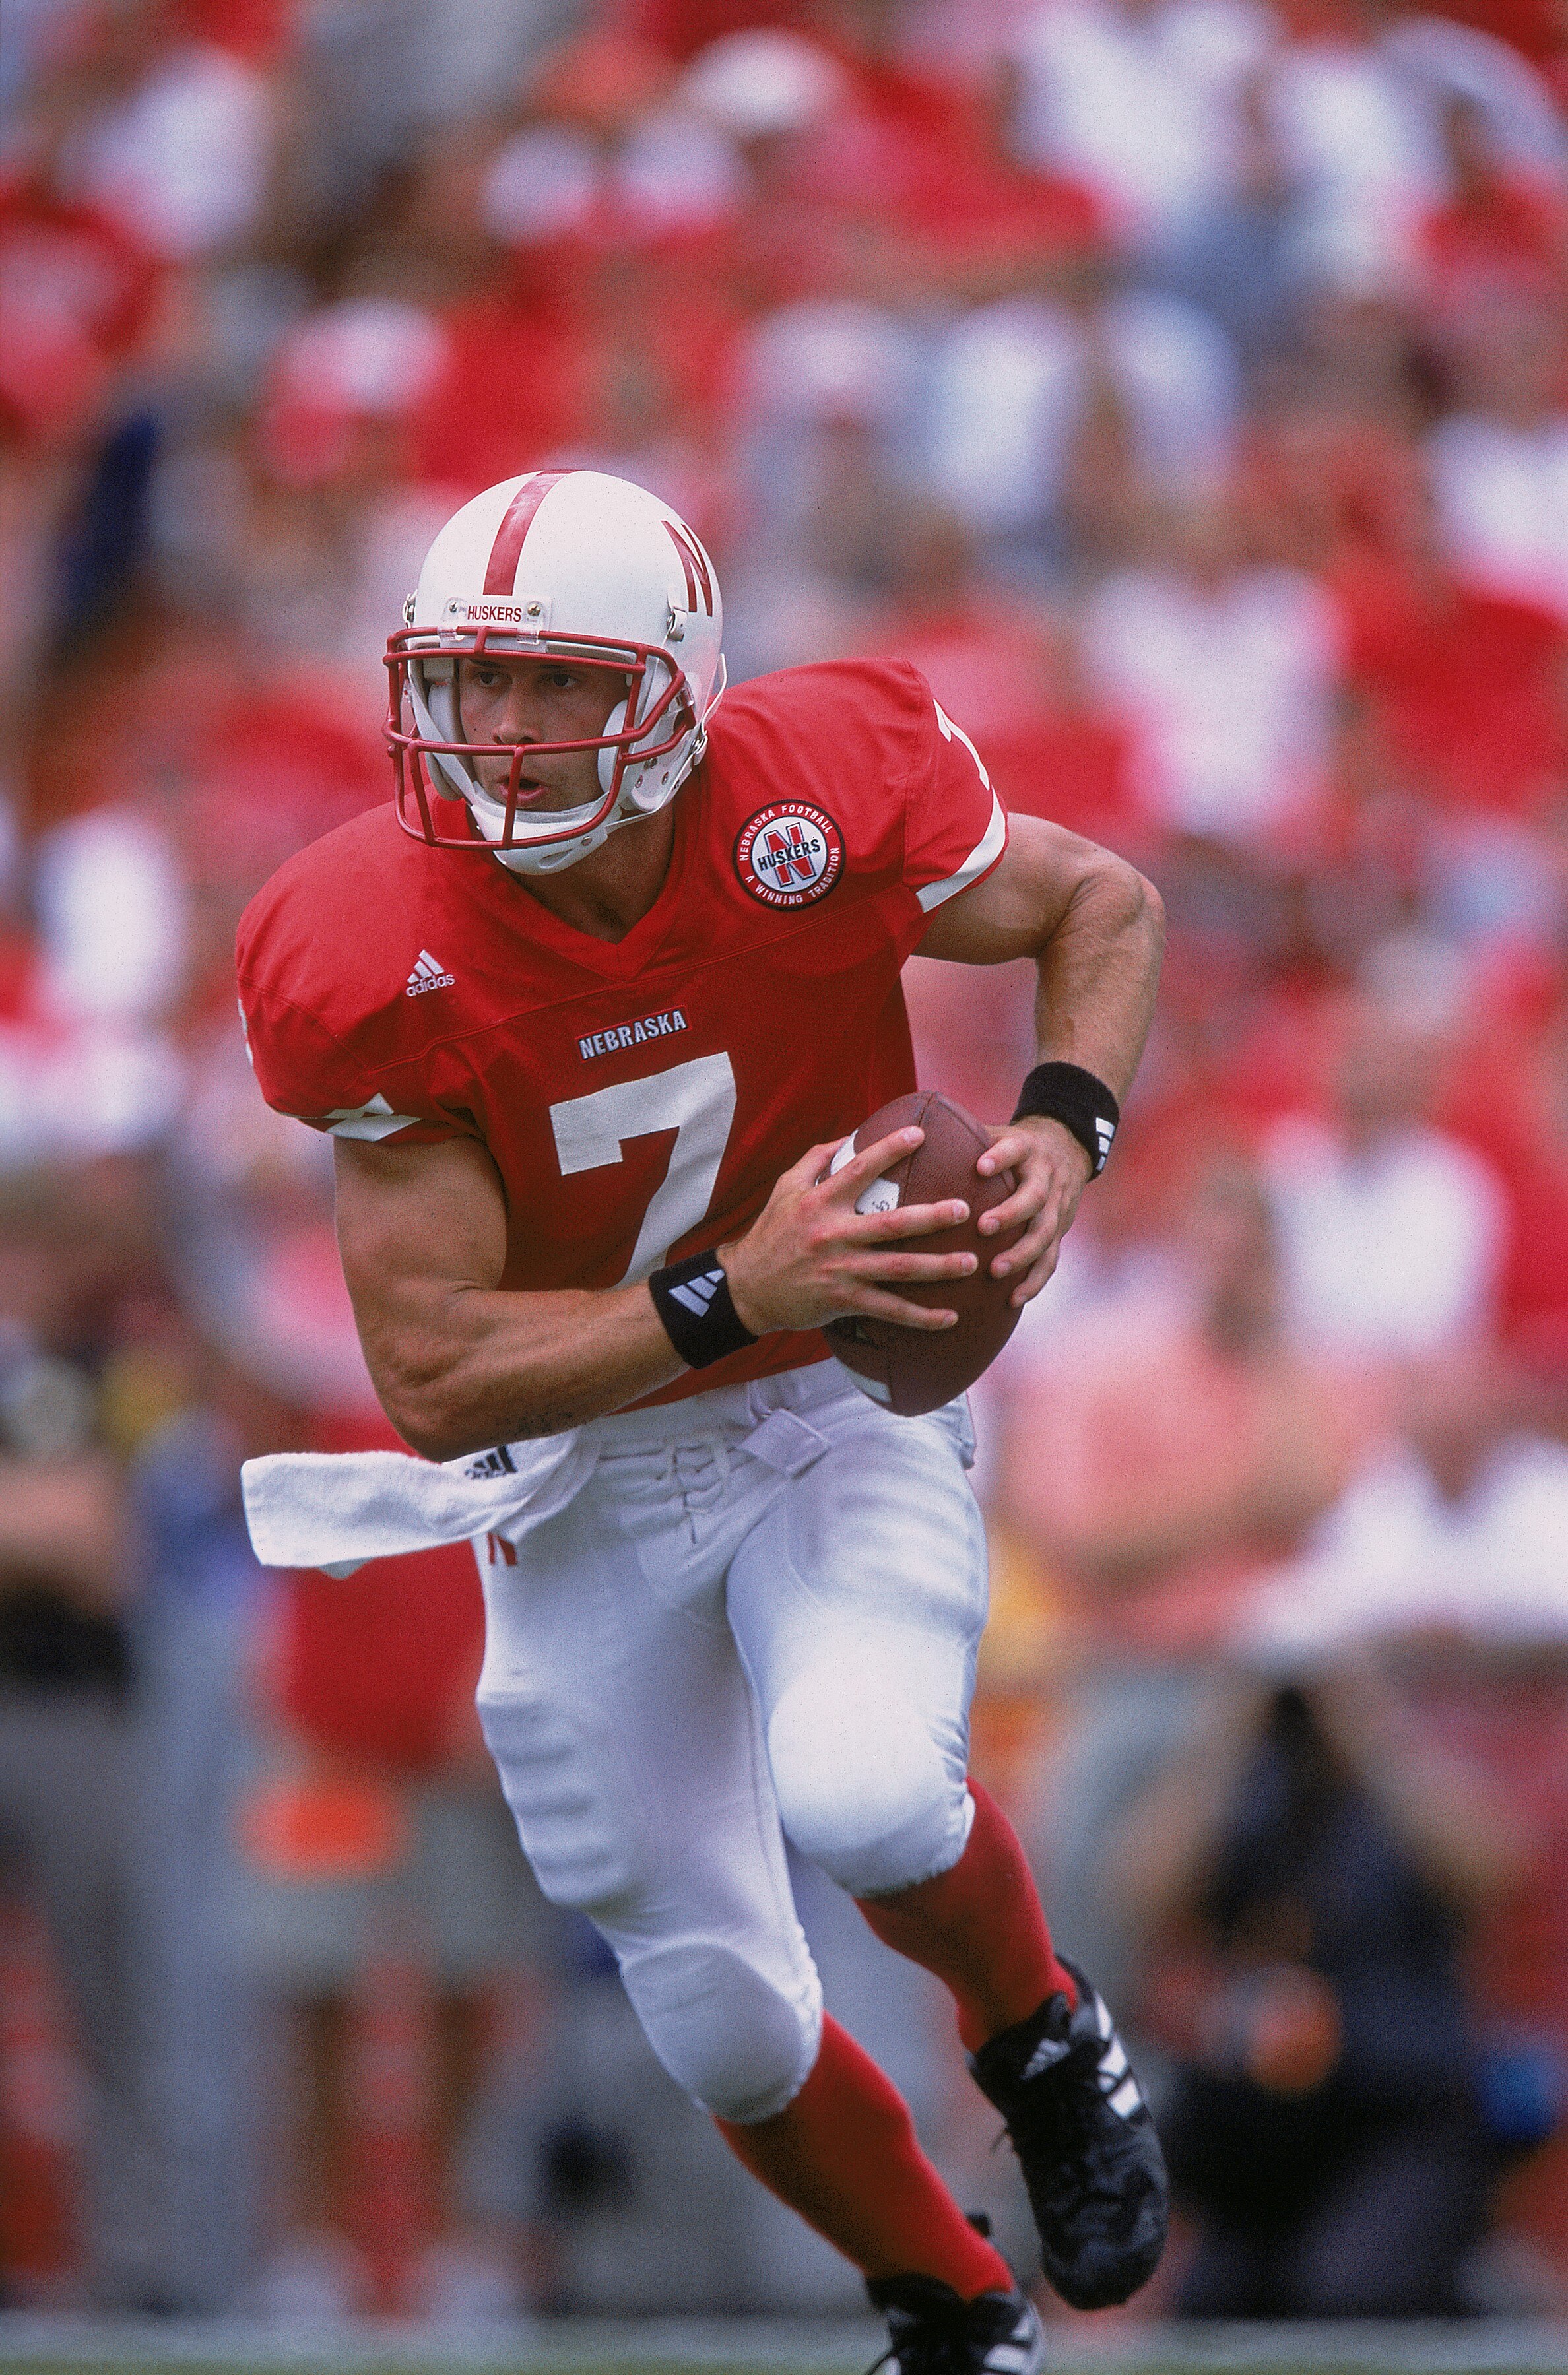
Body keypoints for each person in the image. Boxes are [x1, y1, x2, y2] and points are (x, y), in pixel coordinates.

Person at [233, 467, 1168, 2370]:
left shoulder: (814, 792)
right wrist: (731, 1288)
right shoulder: (369, 940)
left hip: (832, 1404)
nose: (503, 731)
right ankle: (949, 2299)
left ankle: (1042, 2035)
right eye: (474, 681)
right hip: (588, 1468)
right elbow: (432, 1373)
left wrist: (1066, 1129)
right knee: (719, 2013)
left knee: (866, 1788)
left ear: (674, 688)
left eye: (558, 684)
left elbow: (1103, 901)